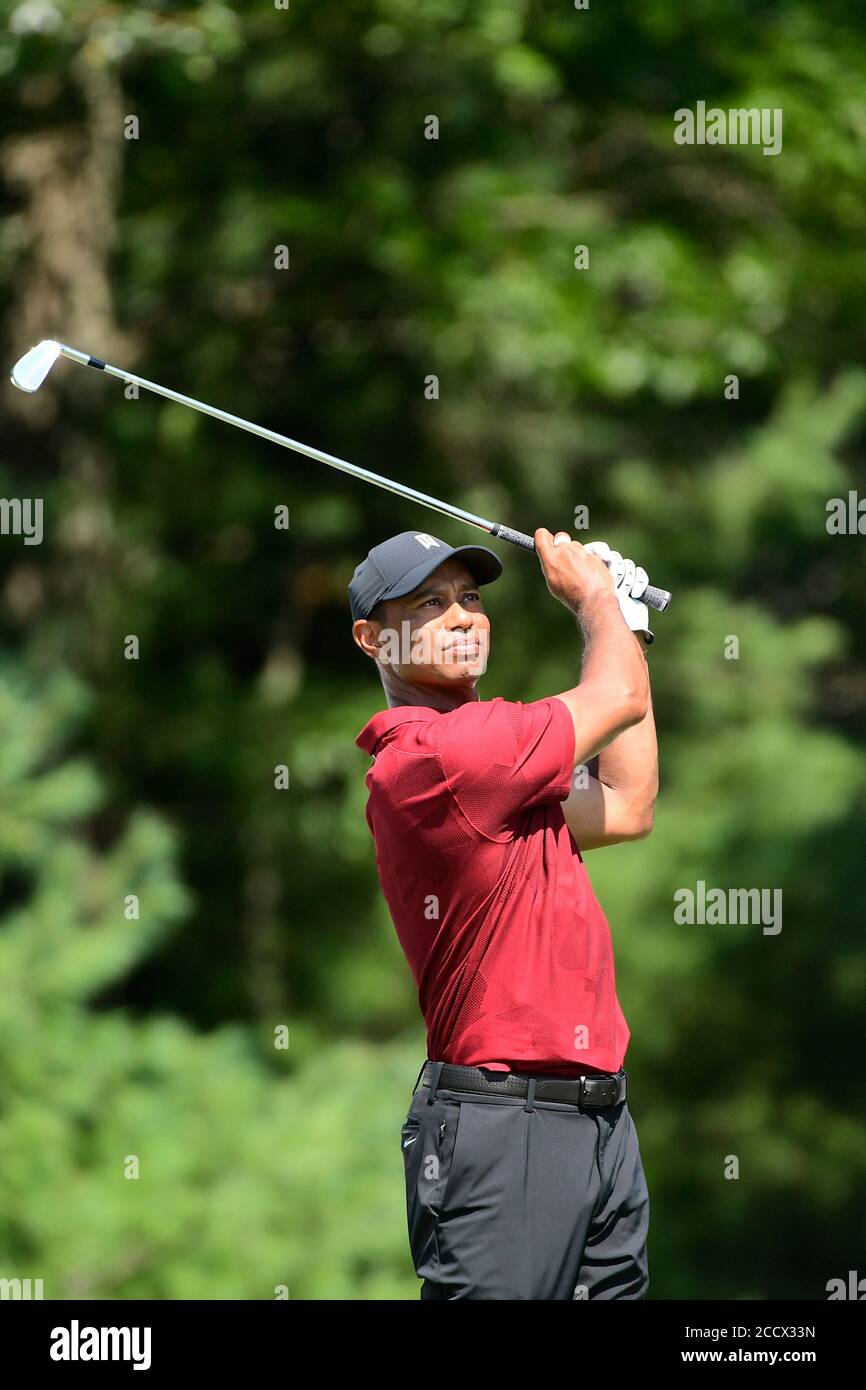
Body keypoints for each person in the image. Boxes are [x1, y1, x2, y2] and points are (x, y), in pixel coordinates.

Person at [349, 526, 657, 1300]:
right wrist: (596, 603)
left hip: (598, 1118)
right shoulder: (438, 758)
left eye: (471, 598)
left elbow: (627, 803)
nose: (461, 618)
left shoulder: (503, 768)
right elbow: (616, 696)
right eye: (429, 604)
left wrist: (627, 622)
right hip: (501, 1125)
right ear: (371, 640)